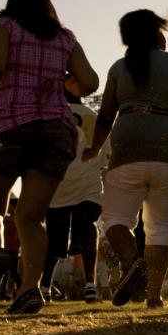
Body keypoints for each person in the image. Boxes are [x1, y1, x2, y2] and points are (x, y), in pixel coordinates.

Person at [0, 0, 99, 314]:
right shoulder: (65, 38)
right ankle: (29, 289)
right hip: (55, 131)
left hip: (9, 124)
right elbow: (90, 82)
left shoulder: (4, 26)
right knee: (30, 218)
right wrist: (58, 80)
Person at [83, 9, 168, 309]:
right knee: (160, 225)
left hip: (128, 144)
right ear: (157, 33)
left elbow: (107, 113)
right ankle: (154, 296)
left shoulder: (119, 68)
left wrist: (95, 148)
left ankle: (131, 260)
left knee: (115, 219)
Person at [43, 90, 106, 304]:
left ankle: (44, 286)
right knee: (88, 228)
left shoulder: (51, 115)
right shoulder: (93, 116)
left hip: (57, 185)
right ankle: (90, 285)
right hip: (87, 183)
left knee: (53, 239)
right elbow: (104, 155)